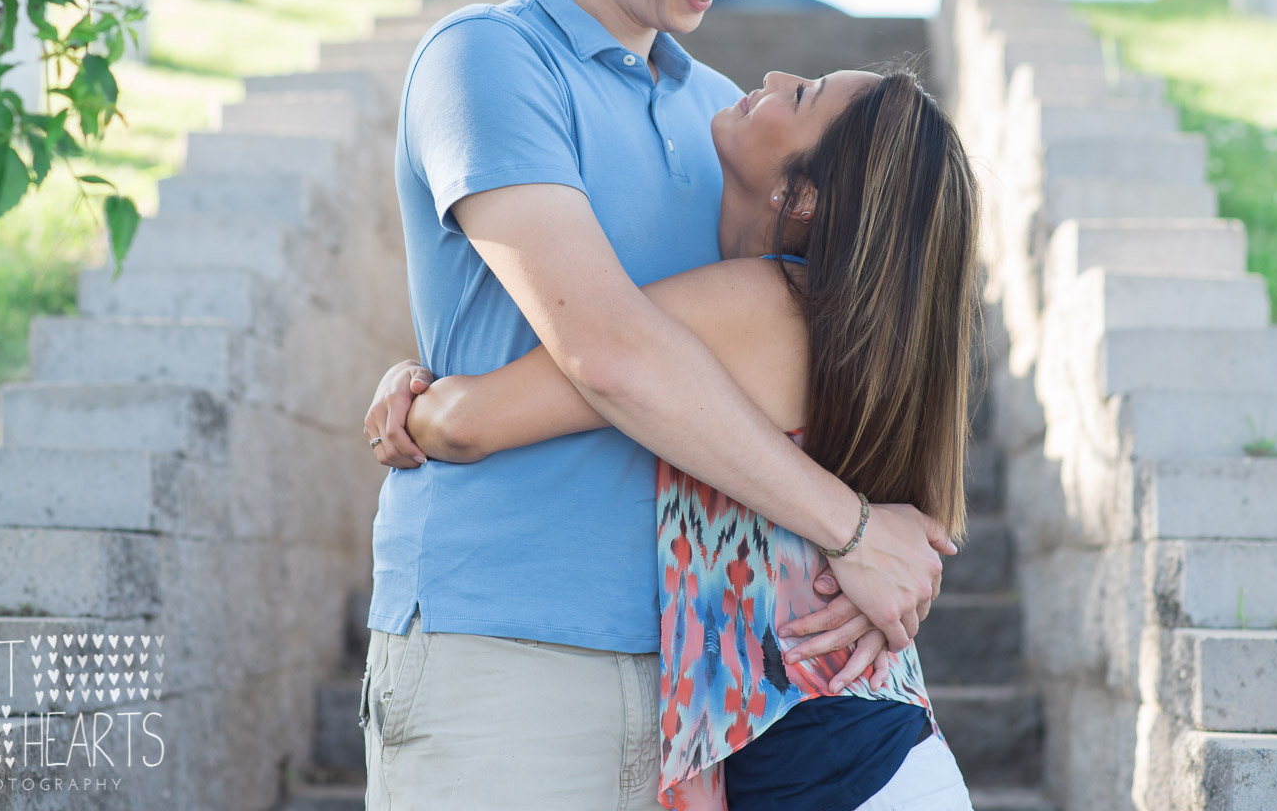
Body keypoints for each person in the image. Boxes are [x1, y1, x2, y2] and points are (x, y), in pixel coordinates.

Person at [359, 0, 955, 811]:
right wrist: (854, 530)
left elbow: (799, 353)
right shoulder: (489, 61)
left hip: (705, 693)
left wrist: (881, 537)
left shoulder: (723, 120)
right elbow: (608, 350)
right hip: (507, 650)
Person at [391, 64, 981, 810]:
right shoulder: (816, 328)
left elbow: (468, 423)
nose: (772, 72)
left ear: (798, 196)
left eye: (800, 95)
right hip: (862, 763)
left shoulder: (759, 305)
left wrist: (409, 393)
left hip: (834, 775)